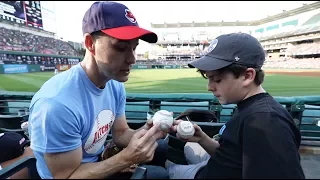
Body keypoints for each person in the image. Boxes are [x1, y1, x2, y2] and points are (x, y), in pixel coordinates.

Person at [28, 1, 169, 179]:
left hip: (96, 162)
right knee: (159, 176)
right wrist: (124, 159)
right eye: (121, 47)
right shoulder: (57, 104)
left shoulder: (114, 83)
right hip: (74, 174)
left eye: (134, 47)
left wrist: (146, 132)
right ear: (90, 43)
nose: (132, 59)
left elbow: (120, 134)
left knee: (161, 146)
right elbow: (66, 177)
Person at [167, 32, 306, 179]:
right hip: (218, 166)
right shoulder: (250, 107)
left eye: (217, 79)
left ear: (247, 76)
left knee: (165, 171)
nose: (210, 87)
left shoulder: (265, 122)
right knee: (190, 146)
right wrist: (202, 138)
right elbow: (233, 156)